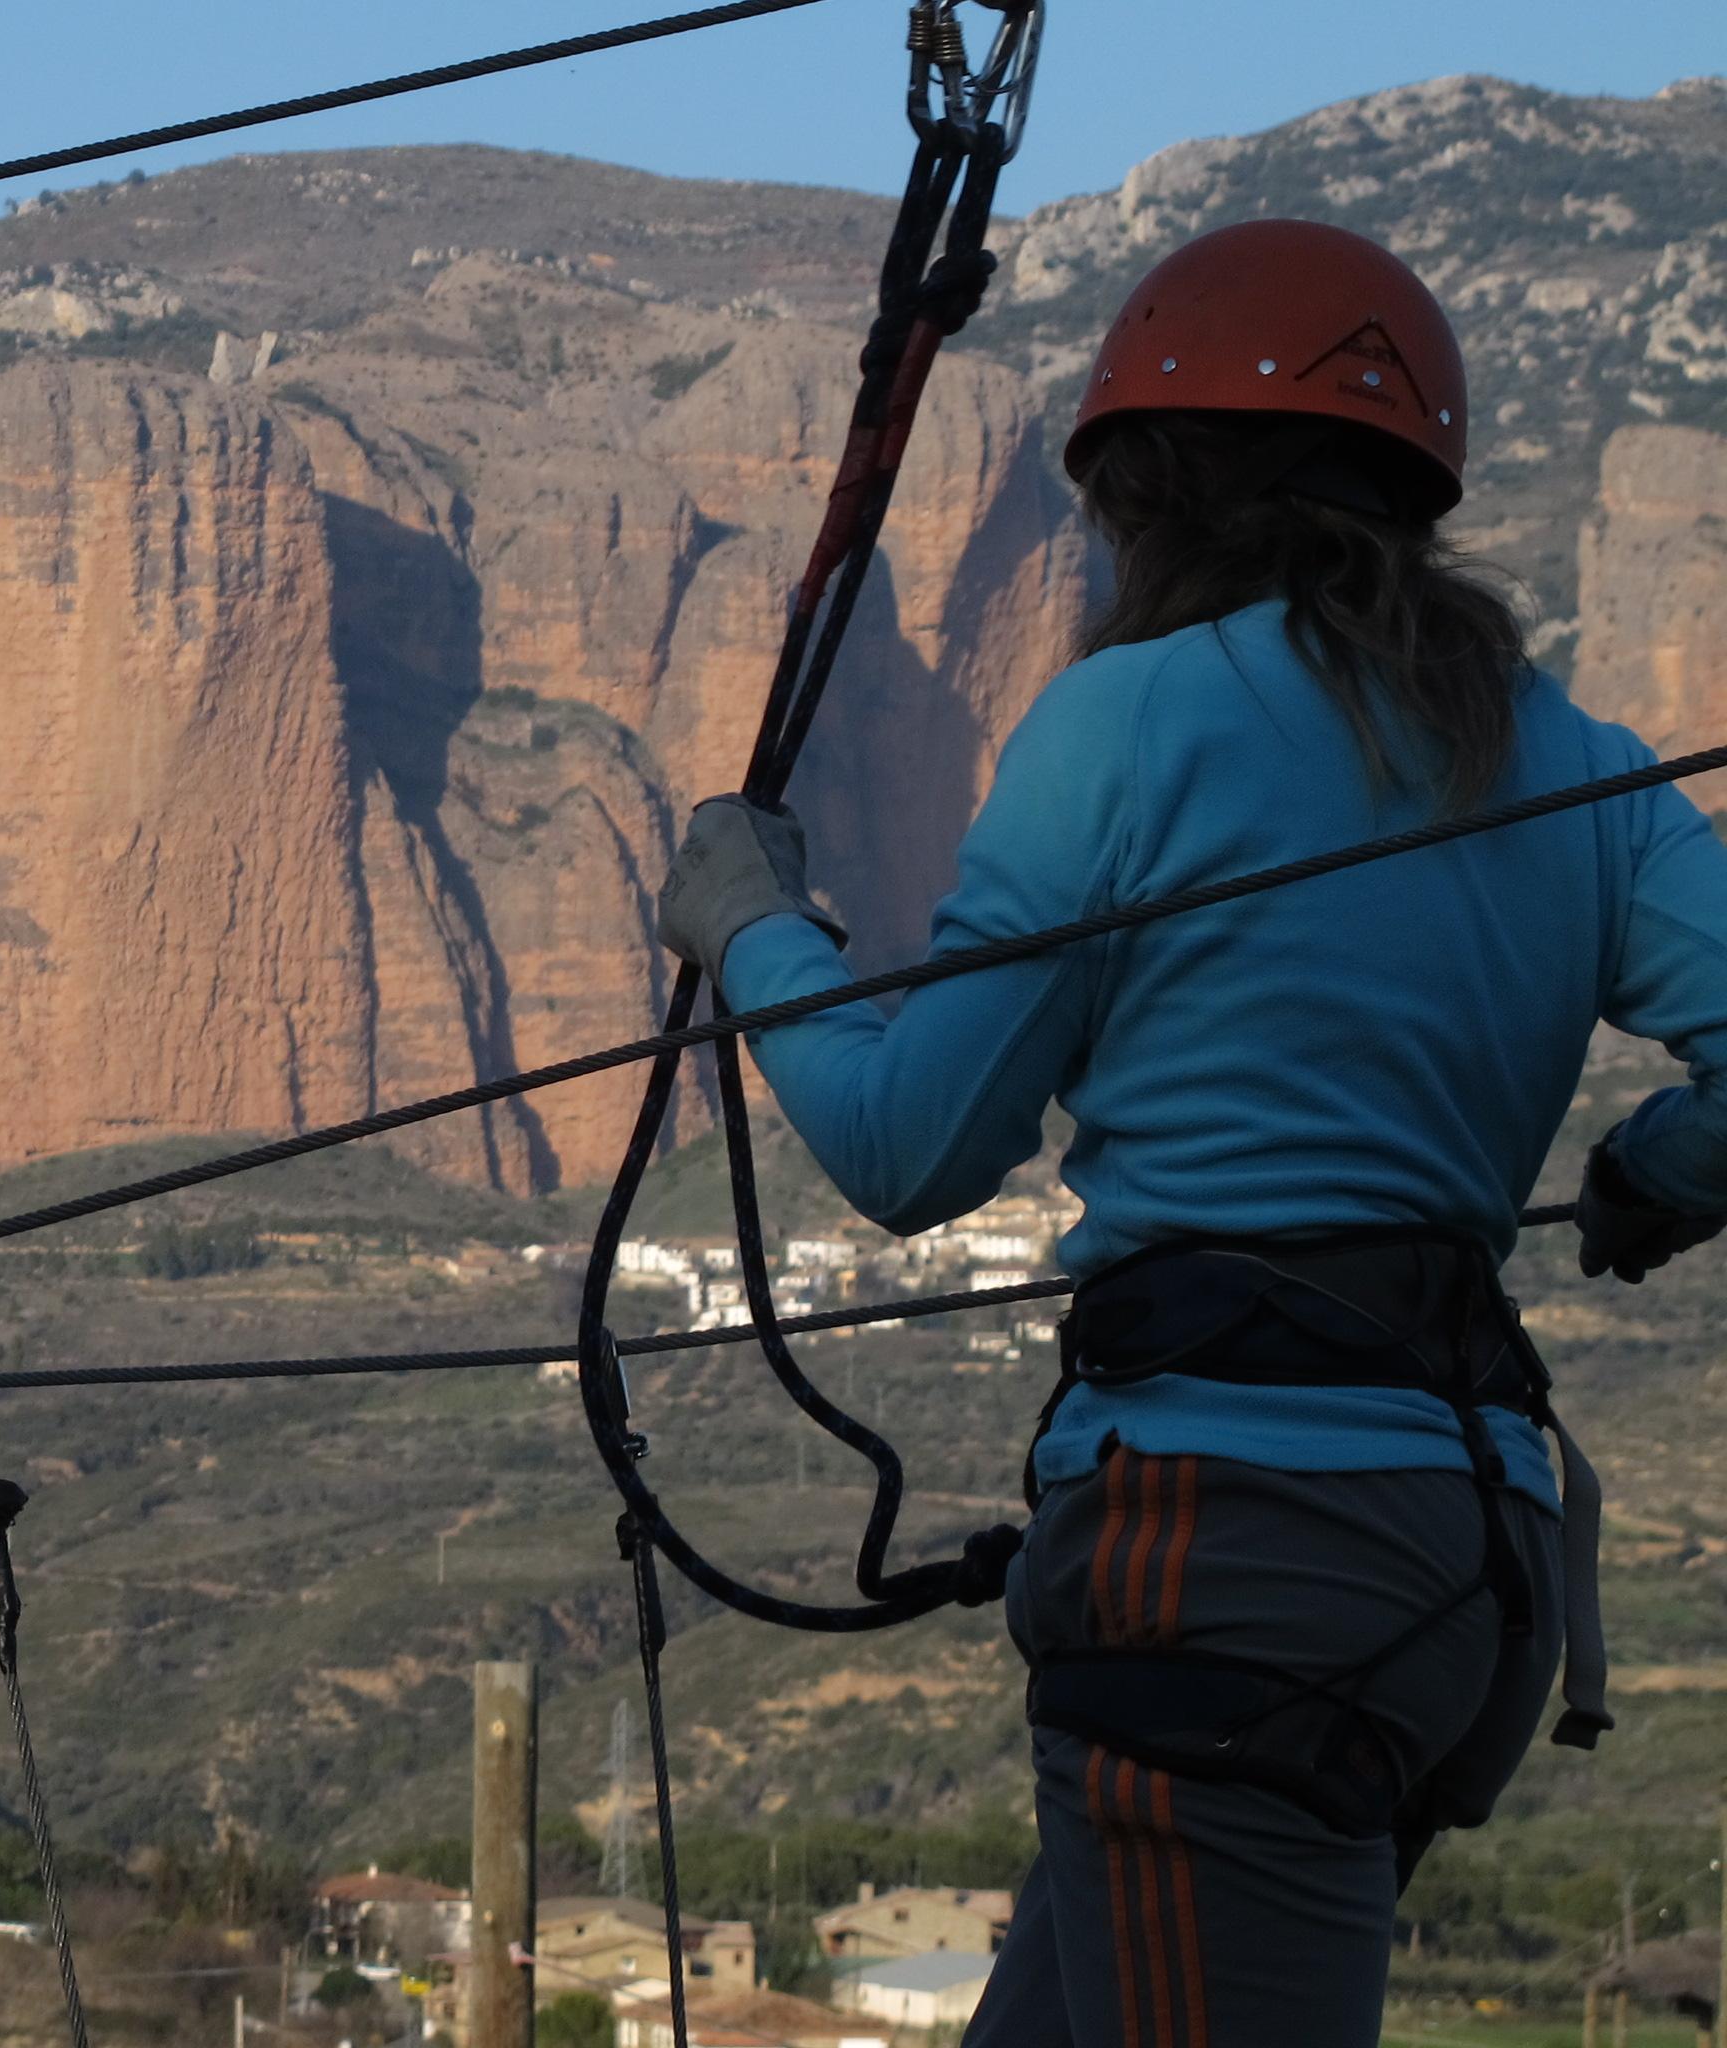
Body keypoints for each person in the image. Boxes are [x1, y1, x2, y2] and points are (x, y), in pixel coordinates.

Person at [651, 218, 1727, 2047]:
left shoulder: (1127, 725)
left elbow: (913, 1150)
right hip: (1466, 1570)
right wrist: (1658, 1180)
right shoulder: (1580, 760)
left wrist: (752, 925)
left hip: (1226, 1565)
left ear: (1148, 502)